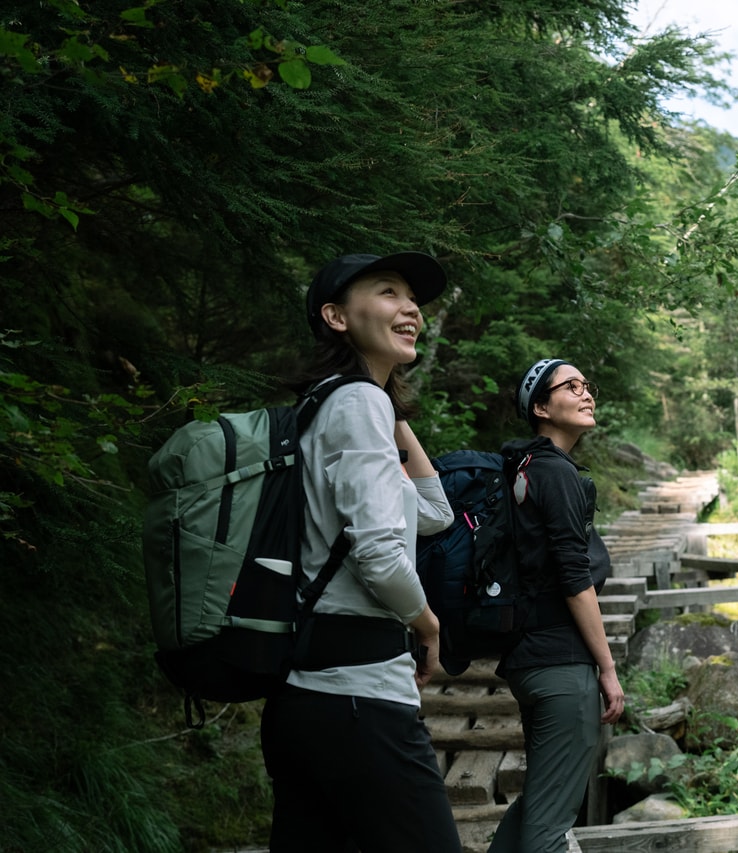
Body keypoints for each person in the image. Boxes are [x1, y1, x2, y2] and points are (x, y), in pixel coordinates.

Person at [260, 252, 462, 853]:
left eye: (413, 298)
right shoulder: (354, 404)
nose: (411, 308)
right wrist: (426, 624)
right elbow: (378, 554)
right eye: (388, 292)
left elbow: (435, 514)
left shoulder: (340, 404)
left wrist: (388, 405)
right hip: (359, 705)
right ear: (336, 316)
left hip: (308, 702)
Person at [488, 358, 626, 853]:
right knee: (549, 831)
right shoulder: (556, 472)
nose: (587, 394)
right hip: (562, 665)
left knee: (540, 804)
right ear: (542, 407)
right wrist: (606, 668)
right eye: (571, 387)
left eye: (587, 385)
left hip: (530, 659)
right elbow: (574, 578)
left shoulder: (524, 468)